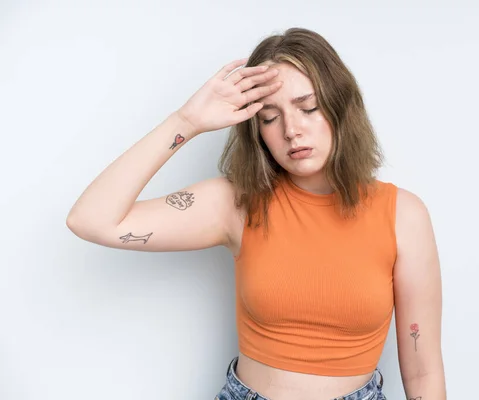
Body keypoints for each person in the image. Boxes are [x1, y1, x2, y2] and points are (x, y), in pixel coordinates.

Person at [66, 27, 446, 400]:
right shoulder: (237, 204)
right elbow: (91, 220)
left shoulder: (402, 215)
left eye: (308, 107)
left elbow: (423, 371)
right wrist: (187, 121)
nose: (292, 130)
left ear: (341, 106)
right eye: (268, 117)